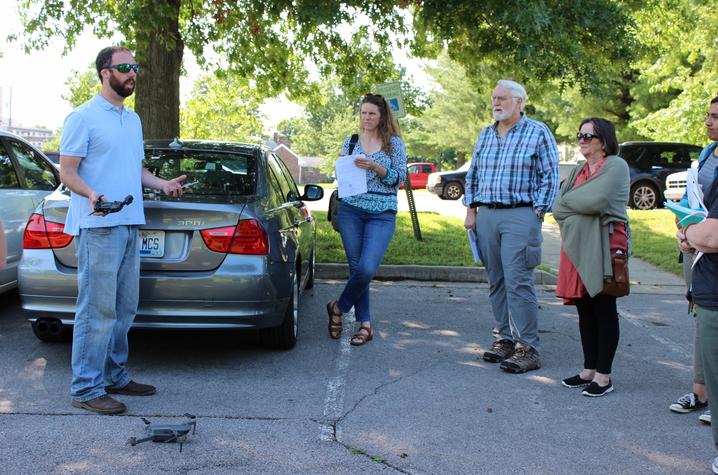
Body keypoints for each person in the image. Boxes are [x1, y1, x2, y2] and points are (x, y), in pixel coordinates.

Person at [60, 46, 186, 415]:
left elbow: (136, 171)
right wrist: (91, 194)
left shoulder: (132, 120)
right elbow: (67, 173)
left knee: (124, 308)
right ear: (105, 72)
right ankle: (85, 387)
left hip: (130, 223)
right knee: (96, 310)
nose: (134, 73)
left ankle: (114, 375)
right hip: (99, 226)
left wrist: (162, 185)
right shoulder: (82, 117)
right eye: (126, 67)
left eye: (136, 67)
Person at [463, 79, 559, 373]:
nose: (496, 103)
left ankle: (527, 347)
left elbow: (550, 176)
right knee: (497, 280)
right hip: (487, 215)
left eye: (503, 98)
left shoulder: (537, 132)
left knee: (518, 281)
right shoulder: (486, 134)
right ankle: (504, 338)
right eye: (494, 98)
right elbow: (474, 174)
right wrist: (471, 209)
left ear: (519, 102)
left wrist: (537, 213)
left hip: (520, 214)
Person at [552, 118, 630, 397]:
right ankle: (588, 370)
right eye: (580, 135)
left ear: (604, 139)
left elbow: (596, 202)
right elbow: (556, 207)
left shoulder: (616, 166)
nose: (582, 140)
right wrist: (571, 204)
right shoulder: (579, 170)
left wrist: (568, 202)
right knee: (584, 308)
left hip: (605, 244)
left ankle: (604, 376)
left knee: (603, 307)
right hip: (577, 246)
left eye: (588, 135)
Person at [326, 94, 407, 346]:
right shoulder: (351, 141)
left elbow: (399, 179)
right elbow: (341, 174)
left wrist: (376, 167)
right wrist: (342, 164)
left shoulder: (393, 143)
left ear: (382, 116)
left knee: (366, 269)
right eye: (363, 113)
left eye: (372, 113)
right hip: (351, 210)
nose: (367, 118)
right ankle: (366, 325)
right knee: (355, 268)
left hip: (382, 212)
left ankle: (338, 307)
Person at [669, 96, 718, 421]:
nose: (708, 121)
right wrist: (683, 224)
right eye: (708, 114)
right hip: (698, 251)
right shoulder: (708, 154)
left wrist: (696, 235)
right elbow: (693, 197)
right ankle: (701, 393)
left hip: (709, 244)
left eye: (715, 116)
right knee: (702, 314)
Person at [676, 154, 718, 474]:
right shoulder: (706, 160)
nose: (709, 122)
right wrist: (689, 234)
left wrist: (689, 236)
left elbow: (711, 236)